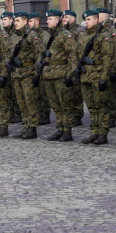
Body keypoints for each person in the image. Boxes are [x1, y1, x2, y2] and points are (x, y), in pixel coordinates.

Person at [75, 10, 115, 145]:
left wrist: (104, 77)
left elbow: (108, 58)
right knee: (91, 107)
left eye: (90, 19)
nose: (87, 22)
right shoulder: (82, 36)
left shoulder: (103, 36)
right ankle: (94, 132)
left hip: (98, 75)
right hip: (85, 75)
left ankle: (103, 134)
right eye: (86, 20)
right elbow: (78, 55)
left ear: (97, 20)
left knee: (101, 106)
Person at [39, 10, 77, 141]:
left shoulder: (65, 35)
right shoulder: (48, 36)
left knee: (65, 104)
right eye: (47, 19)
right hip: (49, 74)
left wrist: (70, 74)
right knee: (55, 105)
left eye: (50, 19)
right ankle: (60, 128)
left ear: (57, 20)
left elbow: (73, 55)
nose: (47, 21)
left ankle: (67, 130)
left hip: (61, 74)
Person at [9, 12, 44, 138]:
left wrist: (36, 73)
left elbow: (39, 54)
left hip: (28, 73)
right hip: (16, 73)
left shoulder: (32, 35)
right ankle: (26, 125)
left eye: (18, 21)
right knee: (21, 102)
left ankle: (33, 127)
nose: (15, 23)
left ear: (25, 21)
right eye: (15, 21)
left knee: (30, 101)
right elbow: (10, 53)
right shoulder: (14, 37)